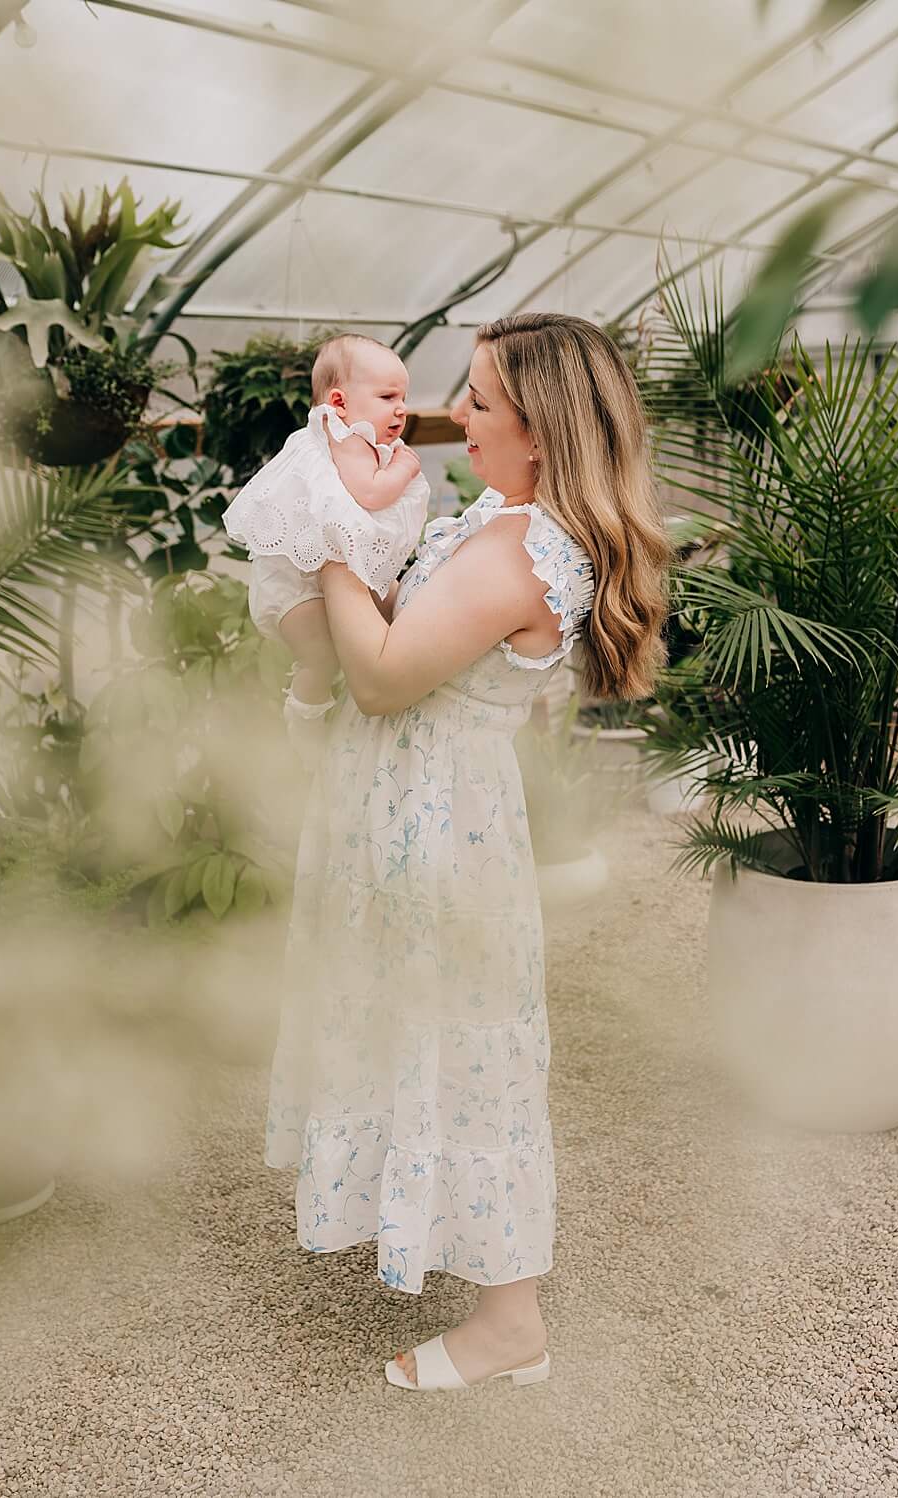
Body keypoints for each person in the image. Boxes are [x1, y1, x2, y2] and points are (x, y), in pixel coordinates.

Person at [263, 312, 669, 1392]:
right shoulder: (499, 517)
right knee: (414, 1026)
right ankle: (431, 1236)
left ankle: (509, 1326)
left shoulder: (524, 553)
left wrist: (327, 537)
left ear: (539, 427)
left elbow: (386, 675)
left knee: (471, 1047)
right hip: (409, 803)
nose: (457, 417)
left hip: (443, 822)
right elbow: (406, 635)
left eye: (480, 400)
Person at [223, 333, 431, 753]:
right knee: (321, 656)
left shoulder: (356, 437)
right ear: (339, 403)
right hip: (298, 591)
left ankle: (332, 720)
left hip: (318, 580)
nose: (401, 408)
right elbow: (371, 493)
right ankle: (303, 722)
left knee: (366, 638)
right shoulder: (346, 436)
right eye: (387, 396)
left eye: (403, 396)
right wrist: (404, 469)